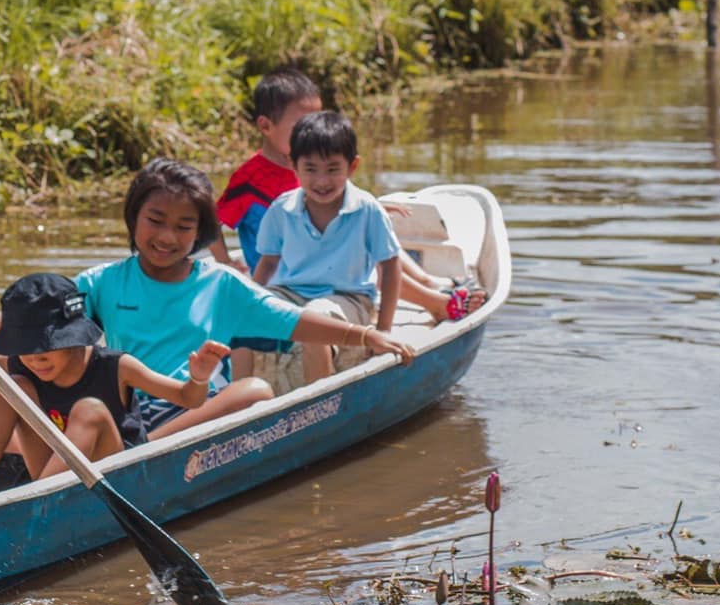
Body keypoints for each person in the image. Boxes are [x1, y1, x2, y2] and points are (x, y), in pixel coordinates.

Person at [75, 157, 413, 431]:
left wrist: (368, 335)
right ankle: (137, 445)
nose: (167, 237)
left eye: (183, 227)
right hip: (126, 411)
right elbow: (47, 322)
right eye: (156, 220)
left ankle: (146, 449)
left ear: (199, 234)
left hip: (195, 411)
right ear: (134, 217)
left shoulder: (220, 284)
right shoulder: (101, 282)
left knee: (255, 391)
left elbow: (295, 321)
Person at [0, 271, 236, 500]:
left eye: (45, 349)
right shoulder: (22, 367)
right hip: (55, 477)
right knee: (10, 385)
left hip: (119, 474)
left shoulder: (118, 366)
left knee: (90, 410)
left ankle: (36, 504)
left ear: (75, 337)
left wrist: (199, 375)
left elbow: (189, 398)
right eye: (26, 349)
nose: (35, 359)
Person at [252, 110, 477, 385]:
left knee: (314, 318)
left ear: (352, 166)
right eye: (310, 169)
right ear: (293, 165)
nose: (322, 181)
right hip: (291, 292)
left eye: (333, 169)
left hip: (349, 297)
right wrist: (250, 300)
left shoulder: (367, 209)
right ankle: (245, 400)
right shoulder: (282, 208)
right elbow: (268, 263)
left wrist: (383, 330)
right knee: (250, 317)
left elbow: (390, 268)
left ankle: (316, 402)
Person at [214, 69, 323, 273]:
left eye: (316, 125)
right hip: (276, 281)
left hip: (317, 268)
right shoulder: (249, 179)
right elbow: (211, 222)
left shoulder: (315, 166)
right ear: (265, 126)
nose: (313, 136)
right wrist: (224, 262)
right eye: (301, 128)